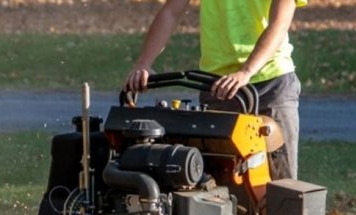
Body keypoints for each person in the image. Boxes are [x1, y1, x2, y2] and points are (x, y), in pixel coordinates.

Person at [125, 0, 305, 180]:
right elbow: (171, 12)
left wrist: (246, 71)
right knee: (219, 184)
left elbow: (280, 24)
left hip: (271, 85)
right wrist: (144, 64)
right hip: (218, 88)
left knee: (282, 184)